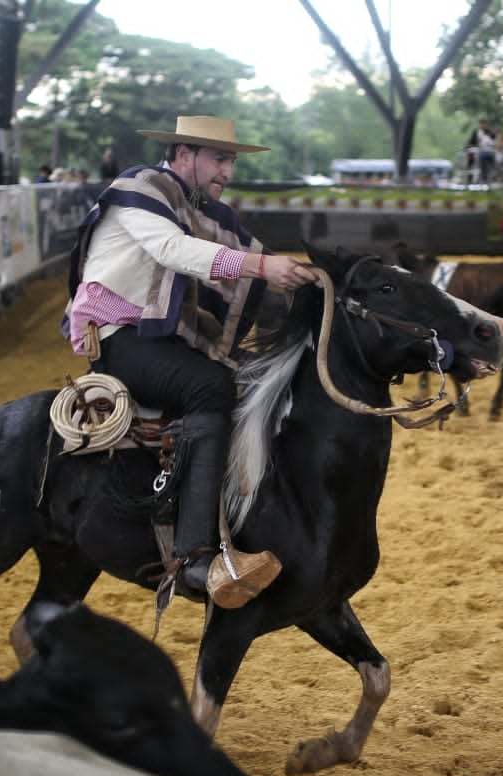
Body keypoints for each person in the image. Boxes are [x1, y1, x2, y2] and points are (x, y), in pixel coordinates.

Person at [63, 115, 317, 602]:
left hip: (153, 342)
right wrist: (264, 267)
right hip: (118, 339)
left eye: (231, 161)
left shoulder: (198, 210)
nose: (227, 171)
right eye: (219, 159)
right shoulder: (141, 189)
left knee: (245, 384)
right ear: (183, 155)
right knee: (211, 386)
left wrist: (311, 279)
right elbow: (174, 250)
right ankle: (195, 558)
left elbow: (246, 256)